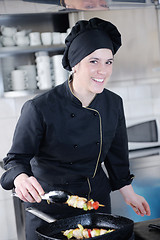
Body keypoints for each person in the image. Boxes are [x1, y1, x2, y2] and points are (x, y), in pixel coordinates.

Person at [0, 17, 150, 240]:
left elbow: (117, 155)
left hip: (96, 207)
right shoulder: (39, 108)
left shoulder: (113, 102)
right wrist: (21, 178)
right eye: (94, 61)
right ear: (75, 63)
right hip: (50, 208)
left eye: (109, 62)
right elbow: (15, 159)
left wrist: (127, 192)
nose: (103, 70)